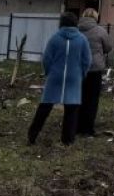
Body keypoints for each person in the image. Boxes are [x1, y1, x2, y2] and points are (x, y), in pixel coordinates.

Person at [28, 12, 92, 146]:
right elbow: (87, 60)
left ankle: (32, 135)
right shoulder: (82, 39)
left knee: (45, 106)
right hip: (74, 77)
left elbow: (46, 58)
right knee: (72, 109)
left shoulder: (55, 38)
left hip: (55, 76)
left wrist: (48, 72)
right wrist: (82, 73)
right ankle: (68, 140)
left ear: (61, 23)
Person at [77, 8, 112, 137]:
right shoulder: (100, 31)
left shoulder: (76, 30)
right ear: (96, 17)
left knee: (78, 97)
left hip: (78, 68)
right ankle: (88, 128)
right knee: (92, 99)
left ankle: (76, 126)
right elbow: (108, 47)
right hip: (95, 68)